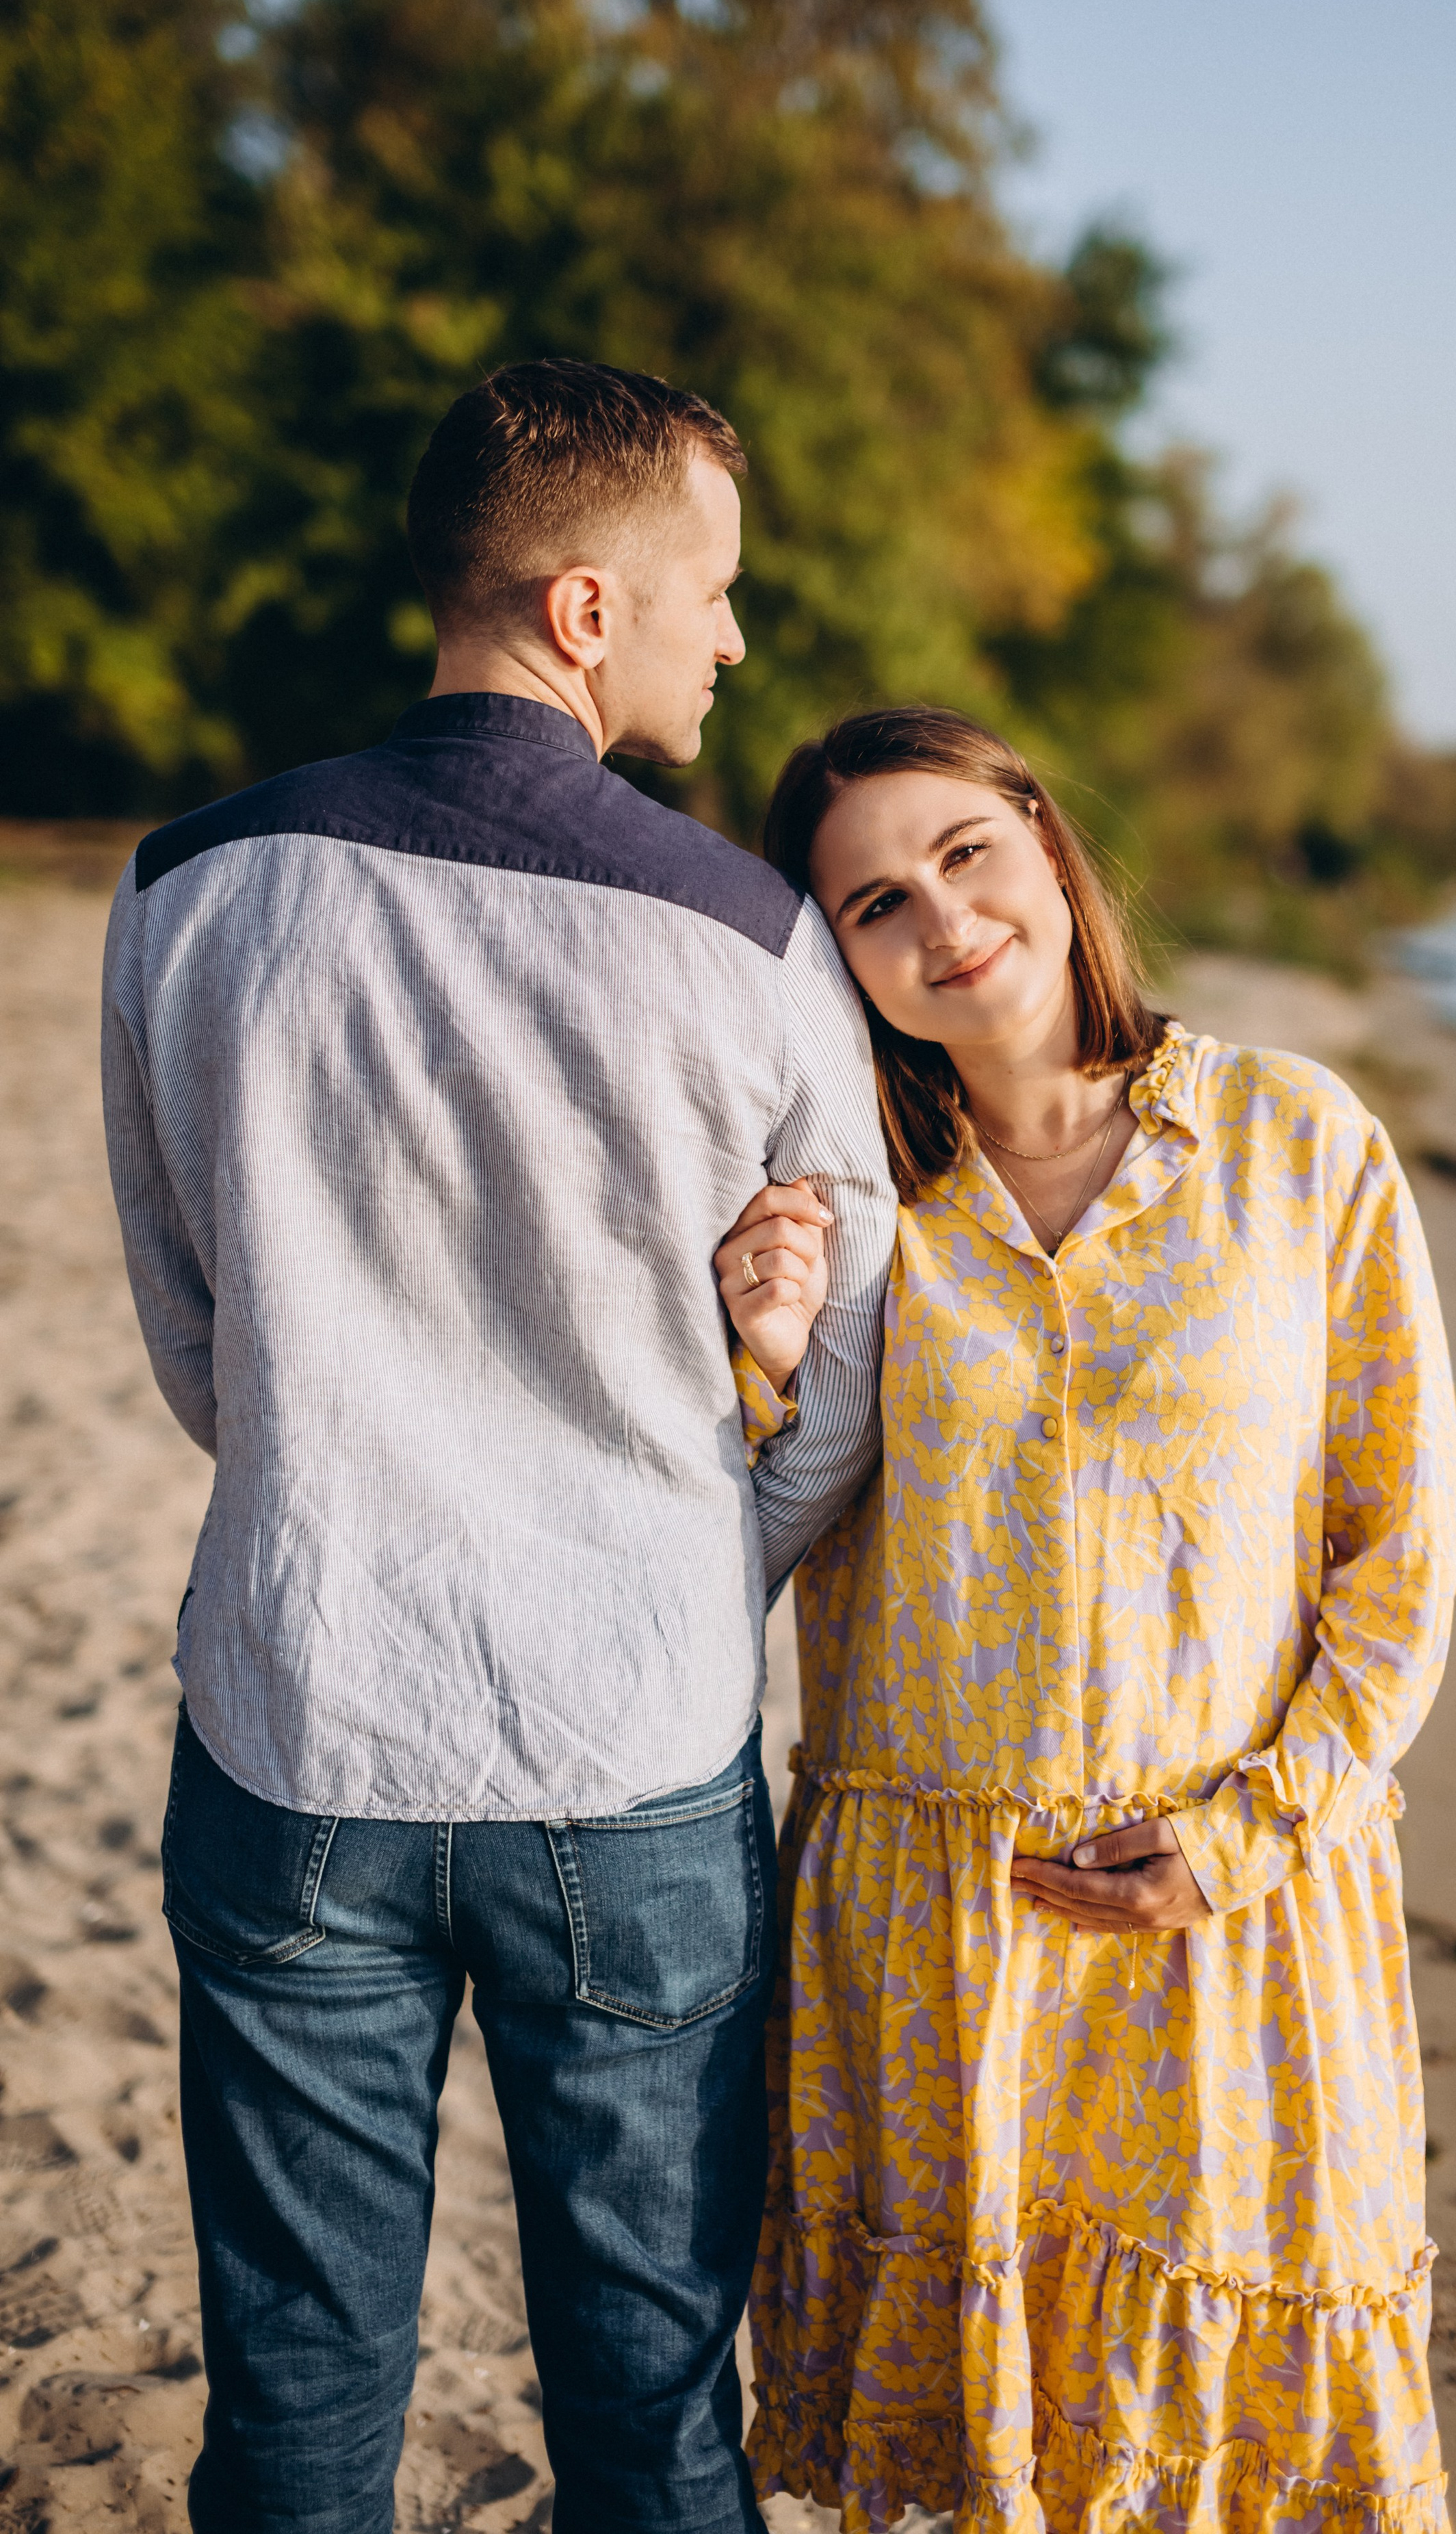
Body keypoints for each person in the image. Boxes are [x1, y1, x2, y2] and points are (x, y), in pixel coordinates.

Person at [101, 359, 896, 2534]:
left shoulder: (186, 887)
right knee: (656, 2421)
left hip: (297, 1720)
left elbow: (196, 1337)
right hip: (630, 1750)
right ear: (582, 609)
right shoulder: (756, 938)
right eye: (712, 591)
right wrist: (705, 1555)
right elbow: (850, 1366)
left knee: (293, 2411)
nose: (736, 636)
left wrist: (339, 1468)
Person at [717, 707, 1456, 2533]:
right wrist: (758, 1360)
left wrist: (1244, 1838)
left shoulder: (1298, 1143)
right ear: (841, 961)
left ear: (1048, 846)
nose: (944, 920)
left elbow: (1400, 1557)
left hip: (1231, 1926)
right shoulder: (847, 1208)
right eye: (877, 903)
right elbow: (716, 1537)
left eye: (965, 852)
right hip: (938, 1948)